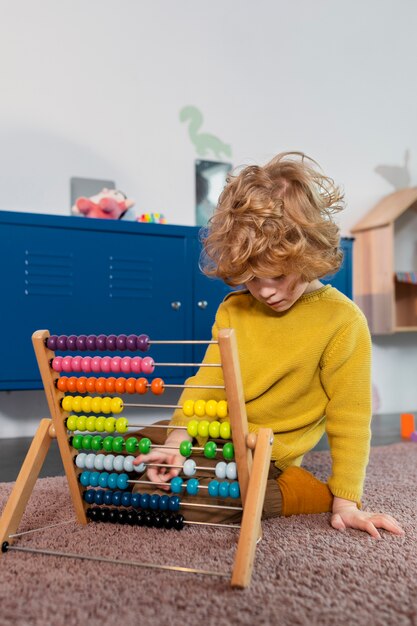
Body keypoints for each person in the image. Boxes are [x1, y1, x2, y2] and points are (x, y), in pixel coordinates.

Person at [135, 151, 404, 539]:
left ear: (309, 250)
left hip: (264, 455)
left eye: (277, 275)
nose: (264, 291)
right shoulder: (235, 310)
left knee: (170, 495)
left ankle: (297, 493)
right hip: (212, 437)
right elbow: (208, 382)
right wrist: (177, 441)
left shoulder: (342, 321)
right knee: (126, 452)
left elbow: (351, 418)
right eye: (250, 278)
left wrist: (345, 501)